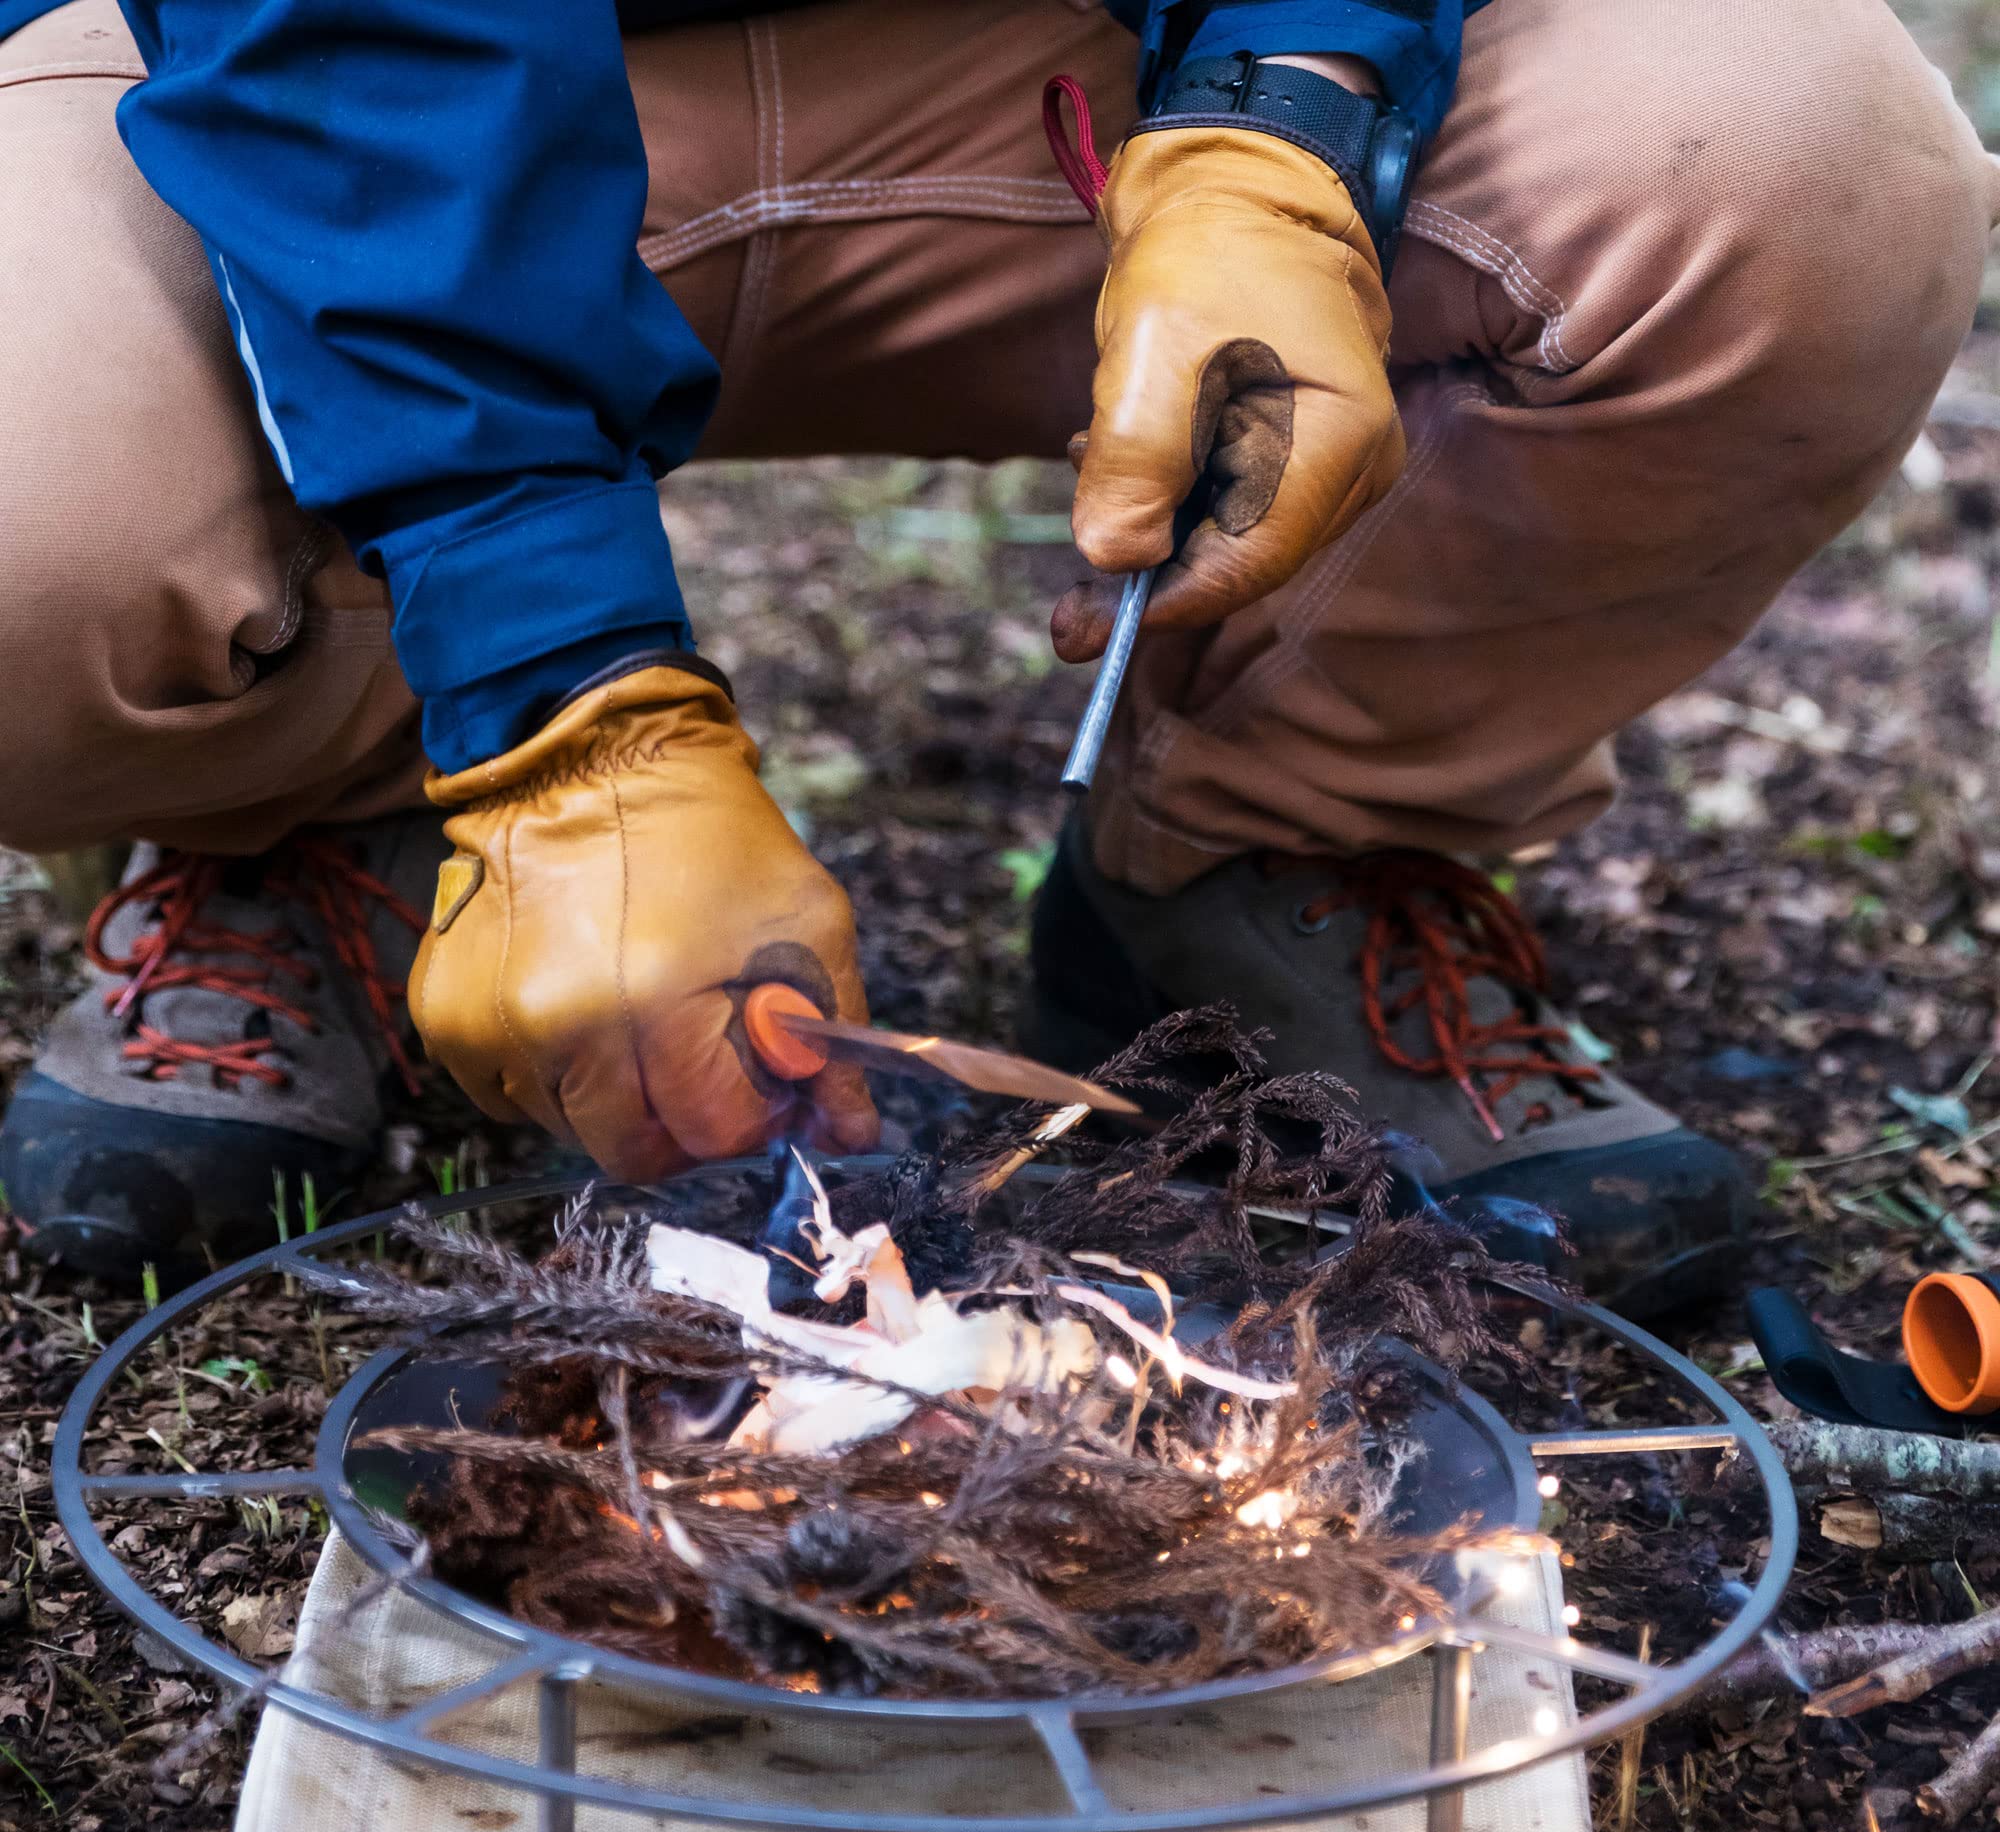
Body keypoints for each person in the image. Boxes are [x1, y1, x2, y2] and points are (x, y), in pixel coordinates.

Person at [0, 0, 1991, 1311]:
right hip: (310, 100)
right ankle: (308, 821)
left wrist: (1283, 108)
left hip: (1061, 63)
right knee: (33, 498)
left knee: (1797, 164)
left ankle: (1272, 848)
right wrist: (552, 703)